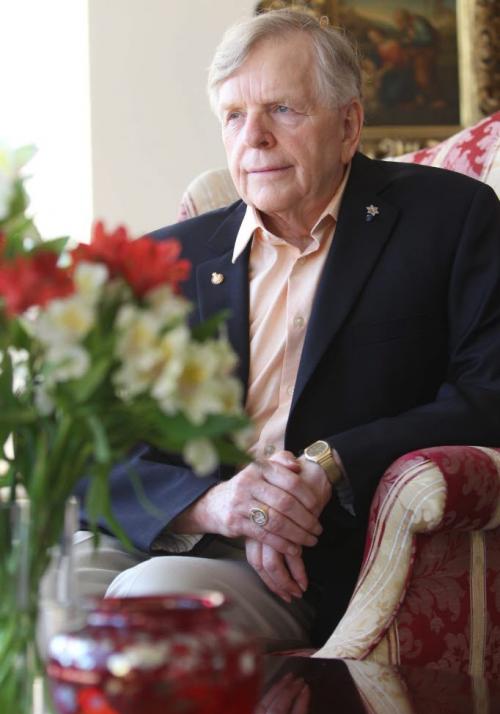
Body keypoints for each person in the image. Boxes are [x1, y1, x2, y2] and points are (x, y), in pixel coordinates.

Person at [74, 9, 500, 649]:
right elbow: (93, 445)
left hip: (312, 565)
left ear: (349, 124)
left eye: (283, 110)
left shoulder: (447, 218)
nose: (255, 138)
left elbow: (487, 396)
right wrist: (212, 505)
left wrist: (328, 466)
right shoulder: (169, 259)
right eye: (234, 116)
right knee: (31, 588)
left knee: (147, 608)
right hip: (176, 525)